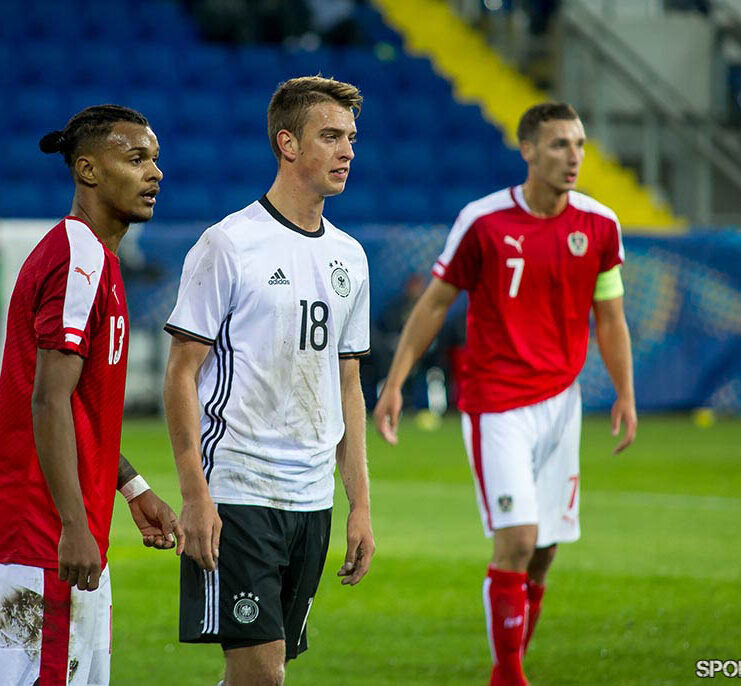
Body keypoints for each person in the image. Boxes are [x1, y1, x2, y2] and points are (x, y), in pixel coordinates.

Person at [374, 102, 637, 686]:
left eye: (579, 145)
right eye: (558, 145)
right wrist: (394, 383)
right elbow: (436, 302)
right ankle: (510, 676)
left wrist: (624, 392)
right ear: (527, 151)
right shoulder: (484, 221)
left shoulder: (599, 225)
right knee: (516, 539)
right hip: (497, 404)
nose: (573, 157)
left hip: (562, 405)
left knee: (545, 549)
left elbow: (611, 318)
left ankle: (508, 667)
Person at [163, 76, 375, 686]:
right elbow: (182, 374)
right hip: (240, 489)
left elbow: (347, 385)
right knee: (261, 673)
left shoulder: (351, 256)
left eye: (352, 138)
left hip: (313, 500)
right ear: (287, 142)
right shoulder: (228, 244)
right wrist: (197, 495)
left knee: (263, 672)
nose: (347, 152)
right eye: (330, 136)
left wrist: (359, 505)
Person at [0, 105, 183, 686]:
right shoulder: (79, 256)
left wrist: (132, 487)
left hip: (65, 527)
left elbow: (77, 406)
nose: (154, 173)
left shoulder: (97, 258)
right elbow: (47, 401)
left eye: (155, 159)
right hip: (45, 534)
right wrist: (72, 525)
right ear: (88, 169)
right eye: (135, 159)